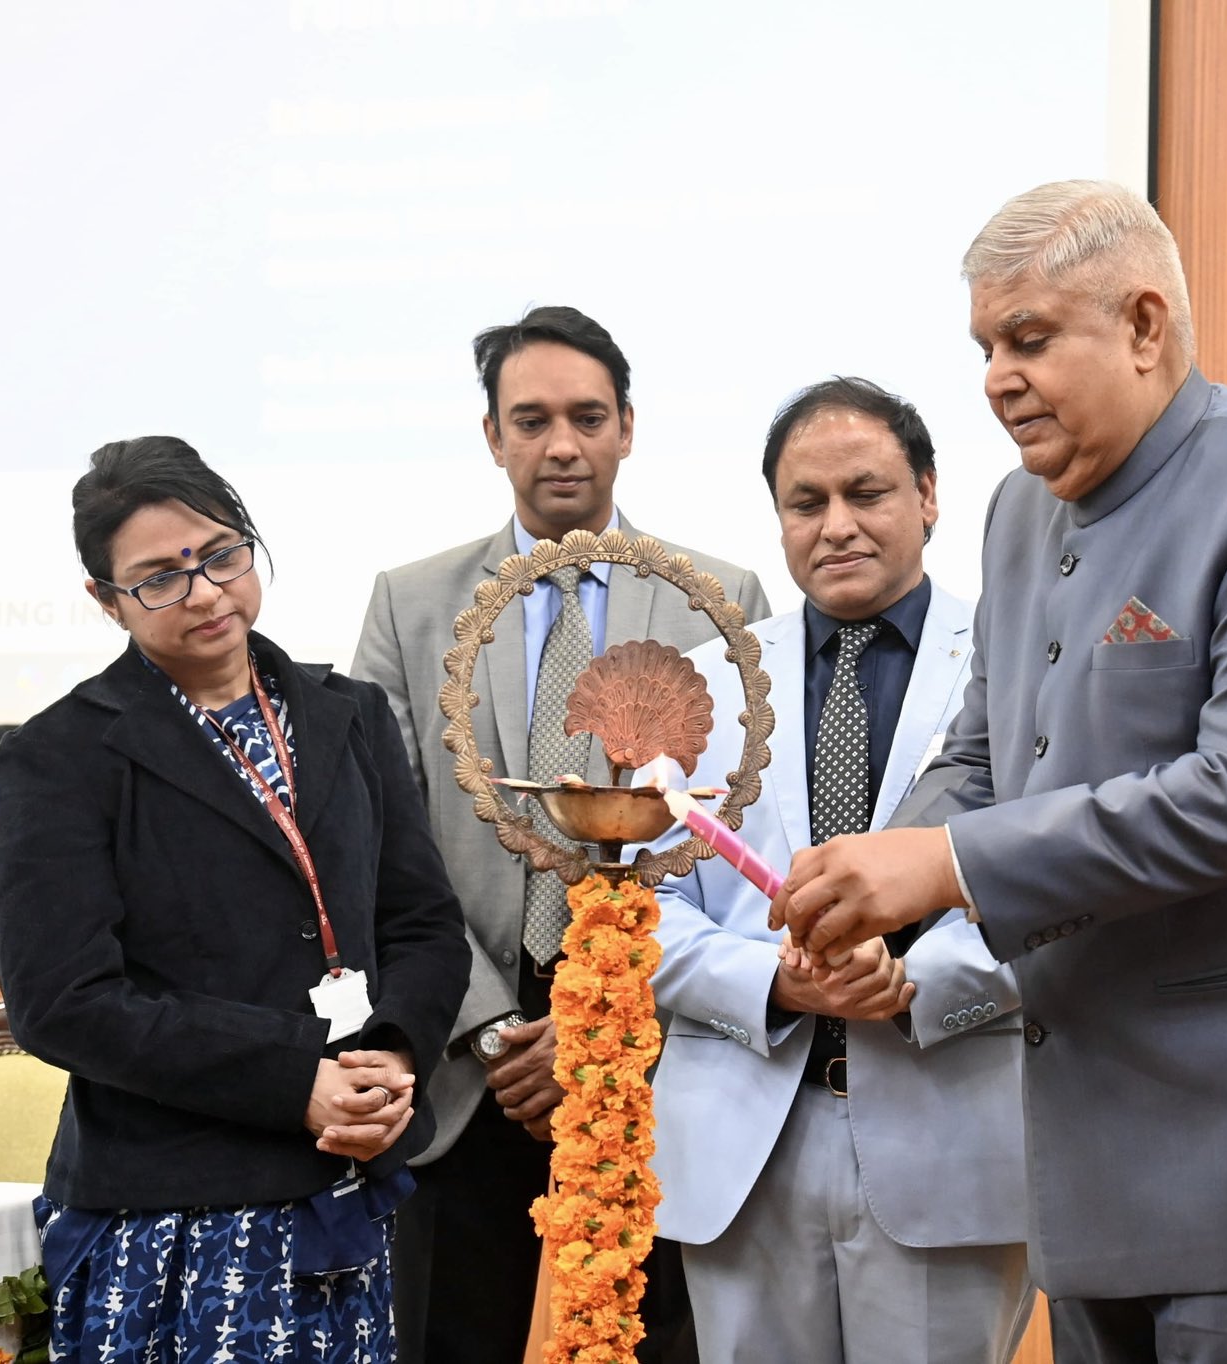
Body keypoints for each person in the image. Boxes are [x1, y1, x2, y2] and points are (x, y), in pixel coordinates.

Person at [771, 181, 1227, 1363]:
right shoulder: (1018, 513)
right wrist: (883, 904)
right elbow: (984, 749)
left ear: (1142, 326)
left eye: (1029, 339)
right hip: (1079, 1172)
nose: (994, 378)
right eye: (983, 347)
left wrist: (942, 864)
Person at [352, 304, 772, 1363]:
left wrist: (602, 1031)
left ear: (627, 425)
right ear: (492, 435)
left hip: (656, 1056)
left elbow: (739, 856)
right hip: (469, 1060)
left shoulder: (718, 602)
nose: (561, 444)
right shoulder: (410, 606)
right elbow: (380, 846)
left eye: (587, 416)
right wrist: (500, 1029)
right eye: (530, 419)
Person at [0, 436, 468, 1362]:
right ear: (105, 600)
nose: (206, 593)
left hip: (343, 1189)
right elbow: (62, 1003)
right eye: (160, 579)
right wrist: (300, 1080)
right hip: (168, 1219)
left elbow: (423, 924)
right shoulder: (62, 757)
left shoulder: (350, 716)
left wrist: (393, 1055)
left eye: (220, 555)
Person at [646, 377, 1033, 1364]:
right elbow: (640, 913)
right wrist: (774, 977)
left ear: (929, 496)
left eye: (868, 492)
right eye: (805, 503)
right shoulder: (701, 681)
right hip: (742, 1140)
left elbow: (1056, 878)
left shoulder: (1018, 660)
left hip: (945, 1122)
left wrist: (913, 978)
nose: (837, 525)